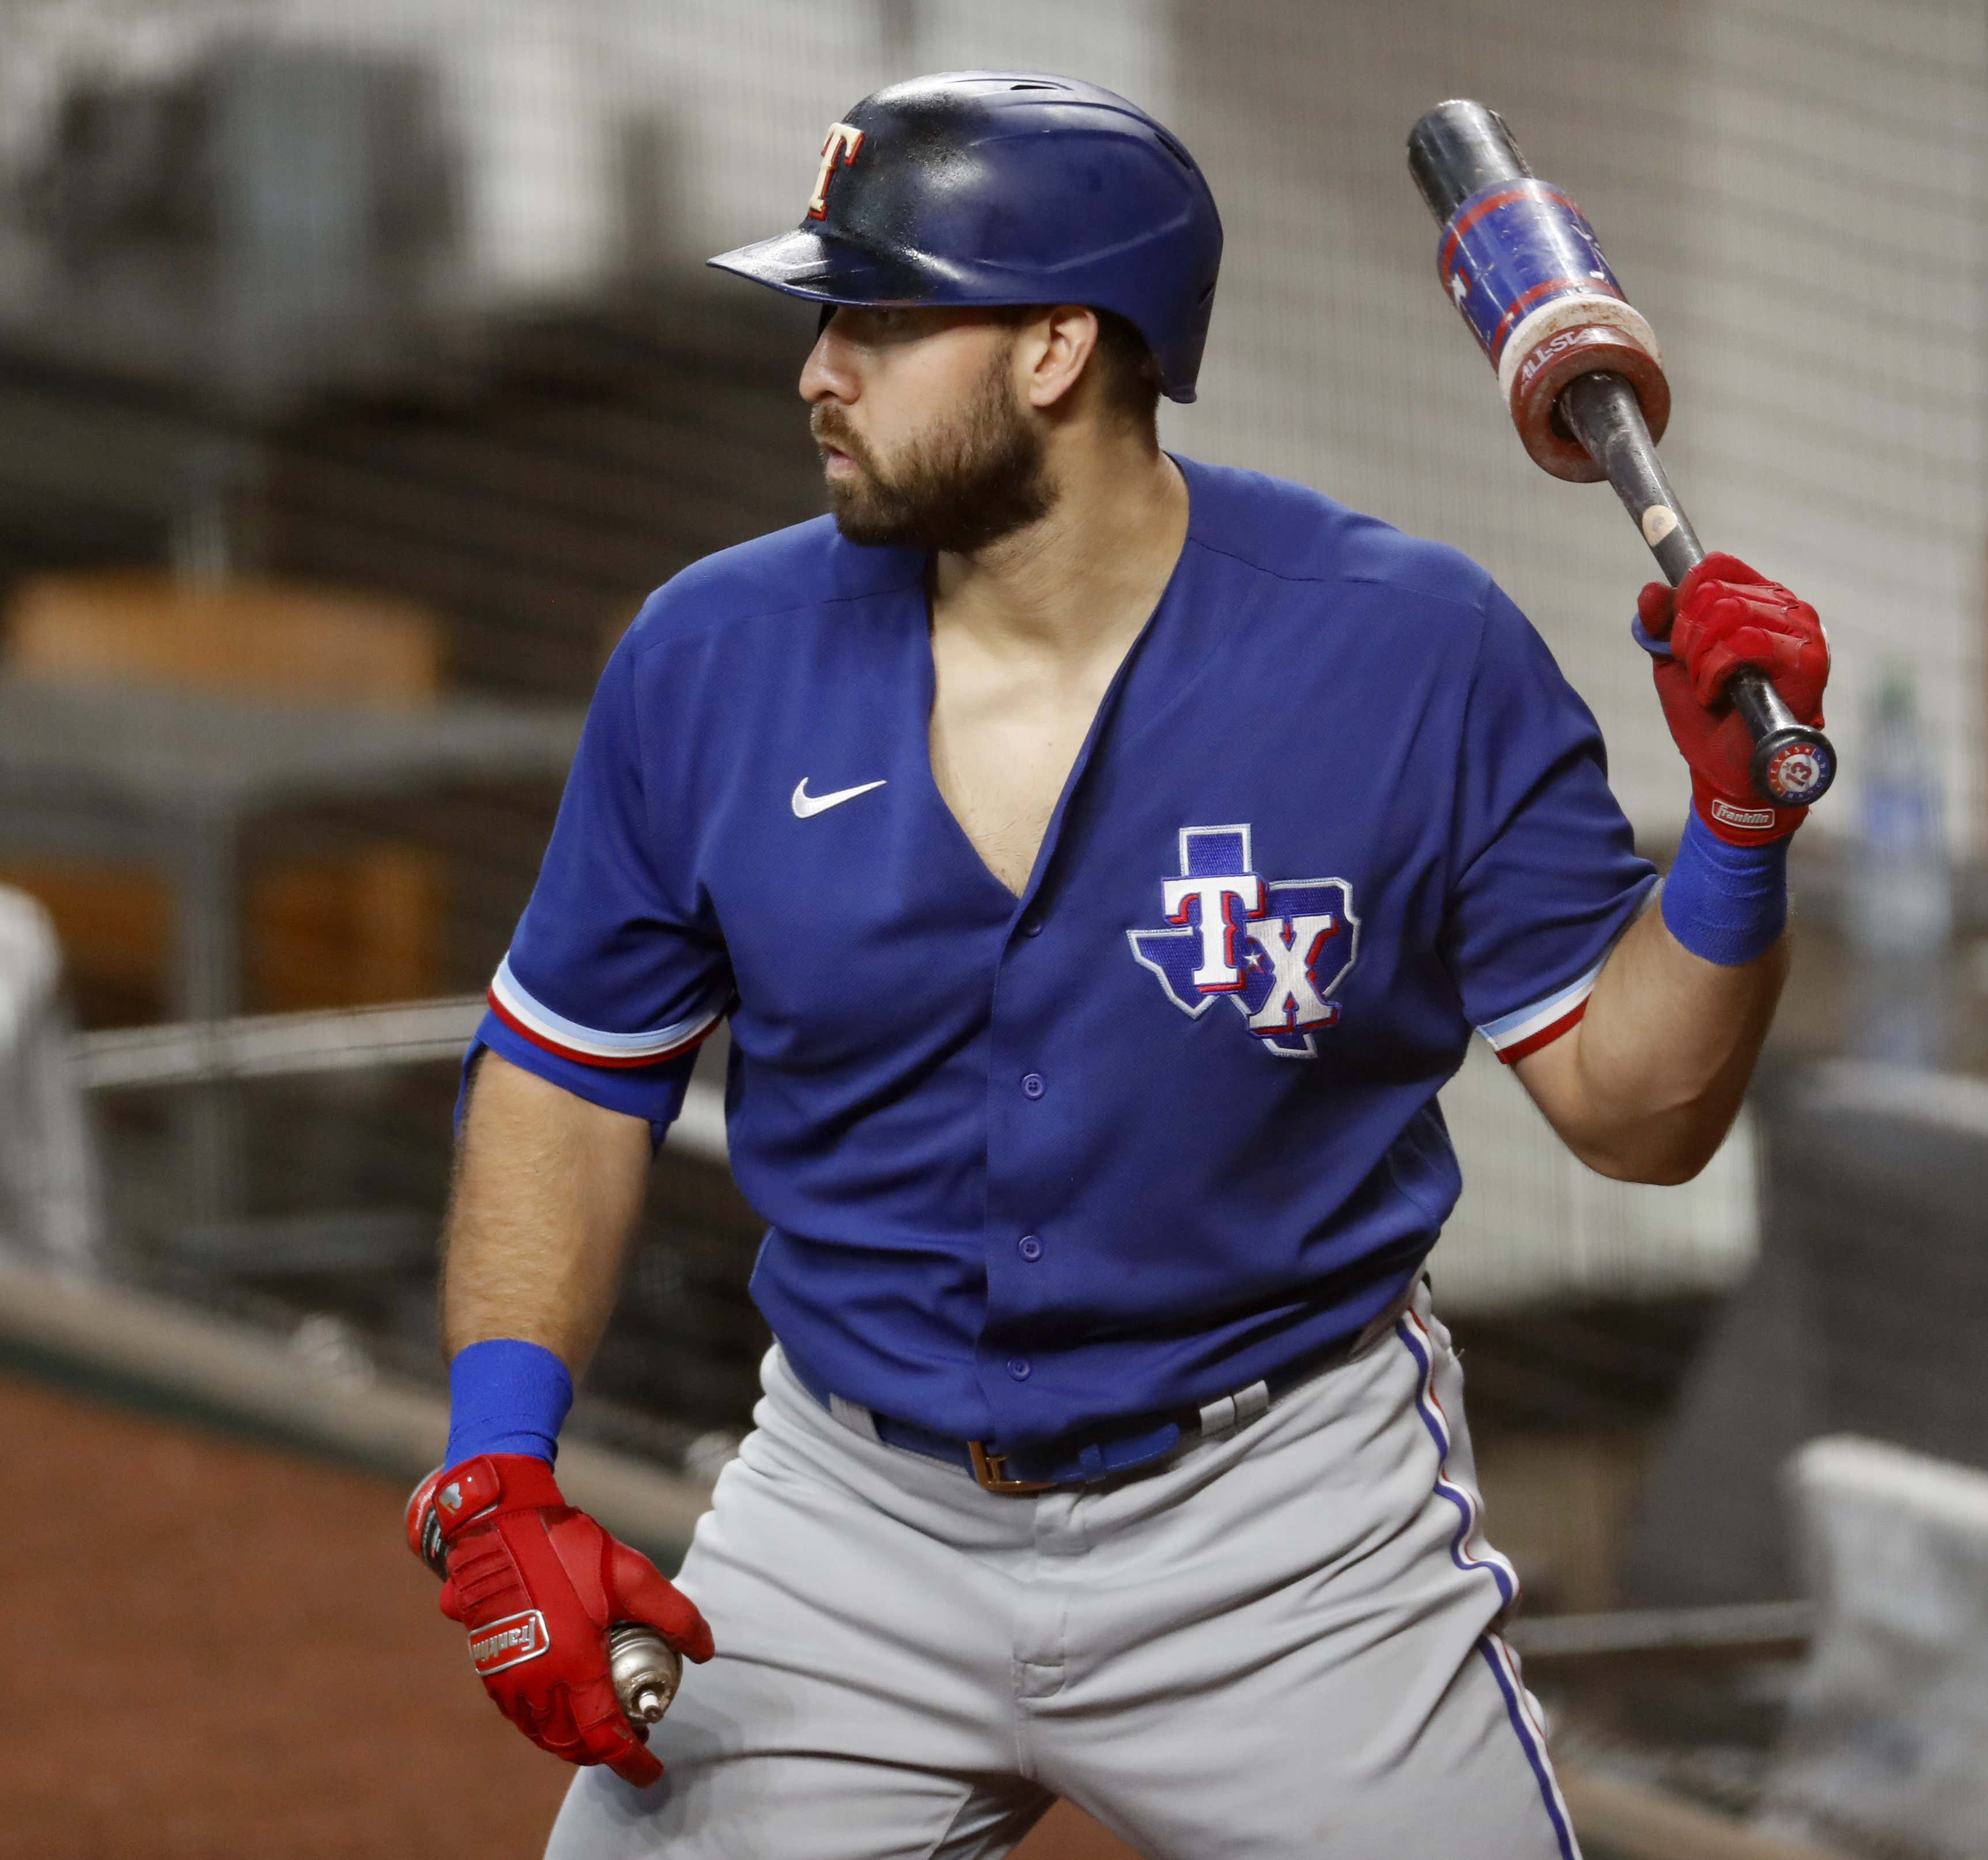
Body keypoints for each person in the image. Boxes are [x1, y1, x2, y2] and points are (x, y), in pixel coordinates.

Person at [408, 70, 1830, 1860]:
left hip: (1286, 1535)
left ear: (1060, 349)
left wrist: (1732, 842)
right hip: (851, 1515)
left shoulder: (1413, 658)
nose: (815, 370)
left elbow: (1641, 1113)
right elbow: (573, 1066)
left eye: (878, 315)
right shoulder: (711, 656)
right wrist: (501, 1456)